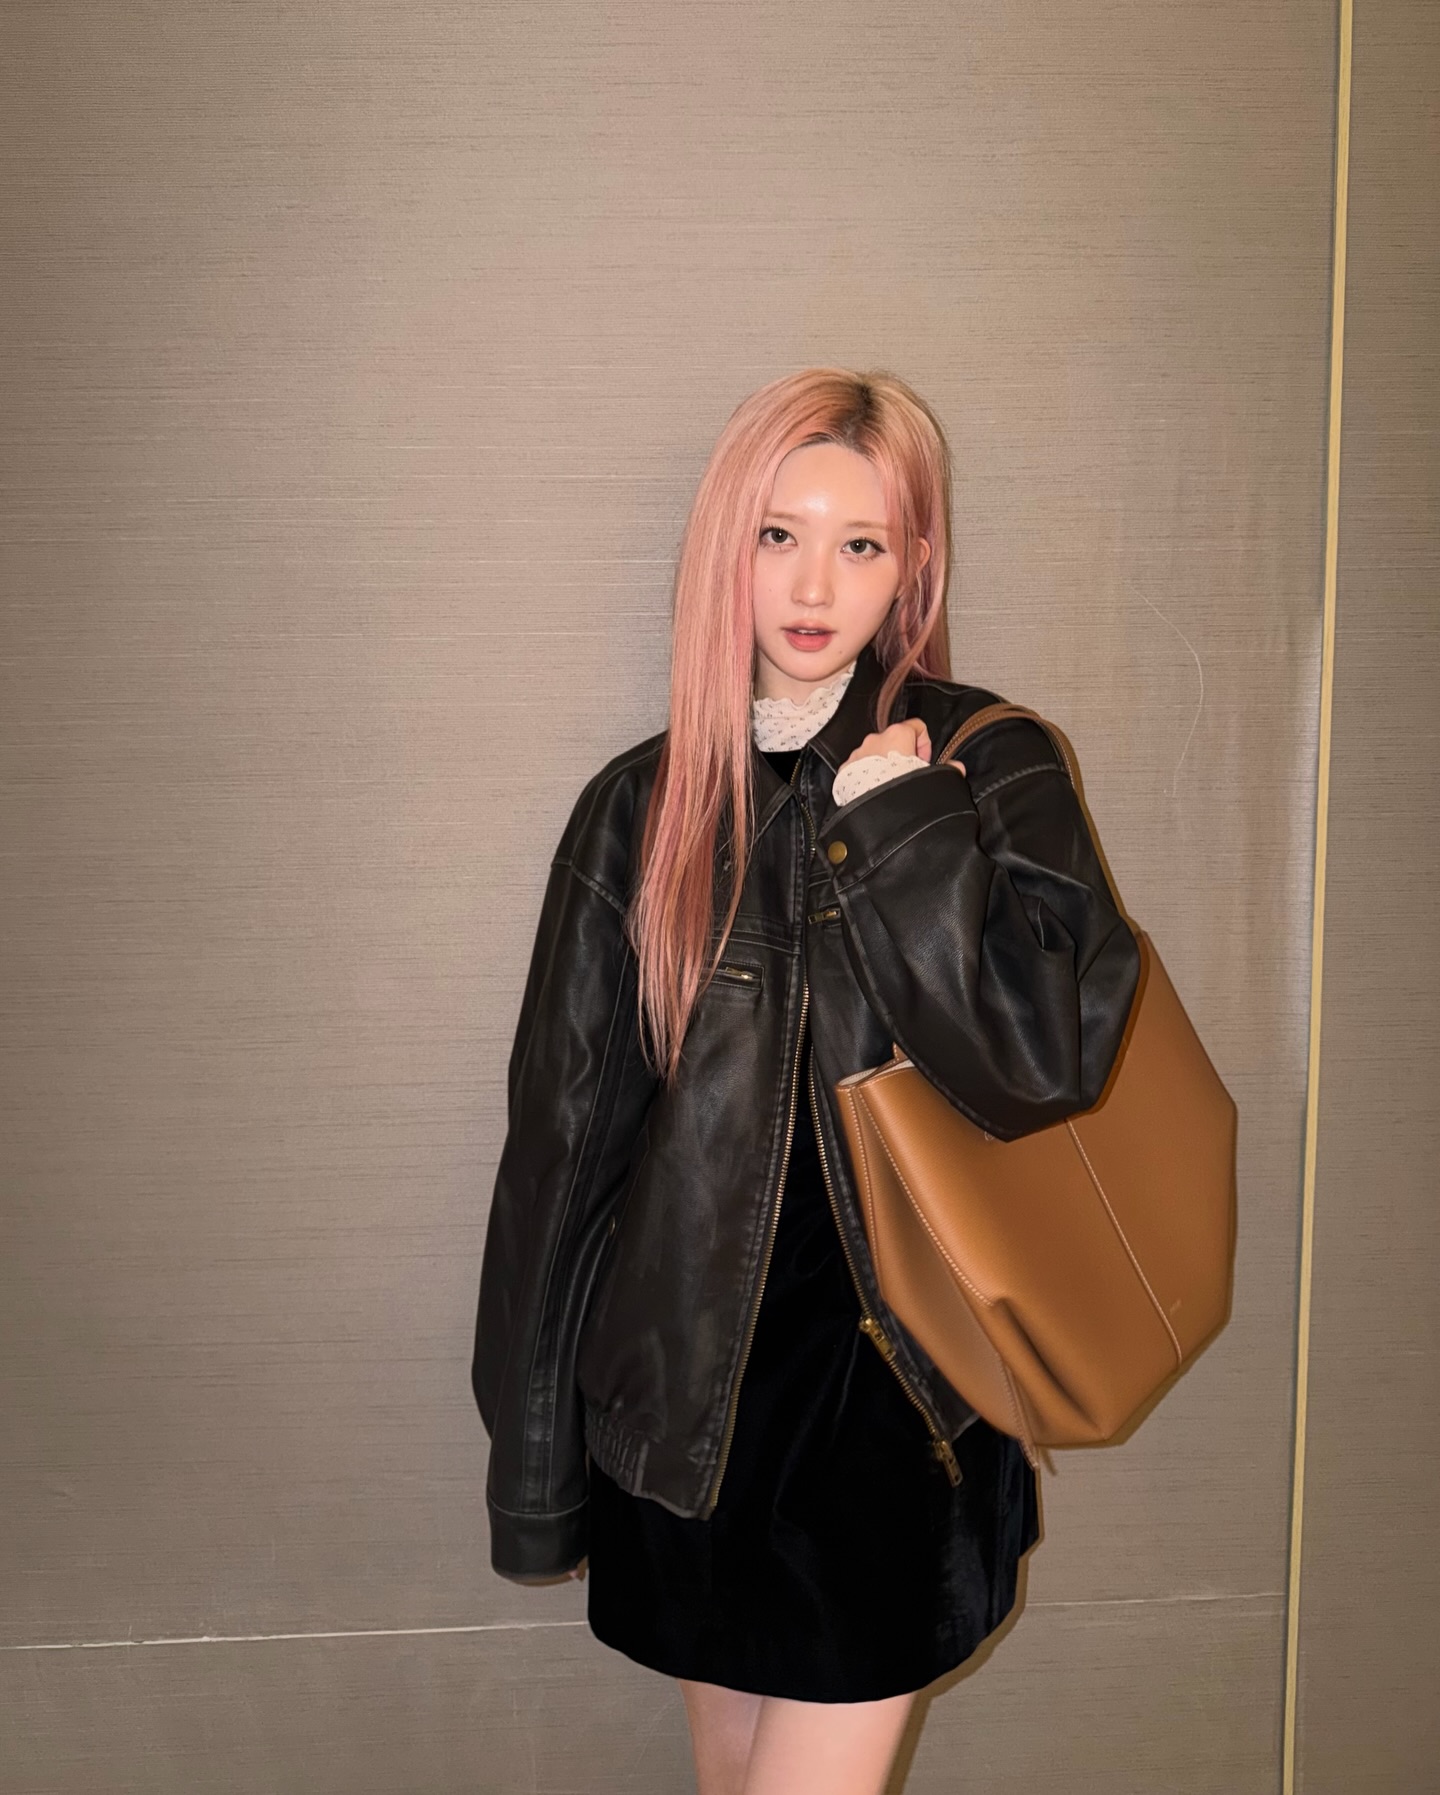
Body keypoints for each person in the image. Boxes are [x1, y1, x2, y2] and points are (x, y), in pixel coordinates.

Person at [472, 368, 1141, 1795]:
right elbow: (563, 1156)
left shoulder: (985, 767)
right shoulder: (641, 805)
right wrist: (537, 1467)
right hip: (687, 1422)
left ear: (913, 566)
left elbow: (1043, 1061)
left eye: (862, 542)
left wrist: (902, 829)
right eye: (779, 534)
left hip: (892, 1414)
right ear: (728, 545)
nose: (815, 584)